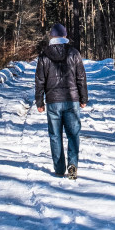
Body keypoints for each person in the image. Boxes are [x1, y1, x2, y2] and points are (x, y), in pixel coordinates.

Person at [35, 23, 88, 179]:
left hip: (53, 101)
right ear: (65, 36)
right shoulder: (74, 53)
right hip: (72, 100)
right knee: (73, 134)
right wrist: (83, 98)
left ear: (52, 37)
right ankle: (72, 165)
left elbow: (39, 80)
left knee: (55, 136)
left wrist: (39, 101)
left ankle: (59, 169)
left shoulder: (44, 55)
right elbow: (81, 78)